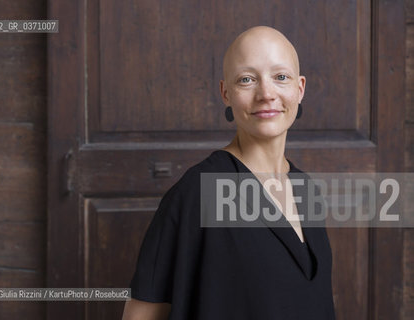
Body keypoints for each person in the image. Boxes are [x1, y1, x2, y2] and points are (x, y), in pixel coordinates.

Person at [122, 26, 336, 320]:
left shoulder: (306, 188)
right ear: (226, 93)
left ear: (300, 89)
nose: (266, 94)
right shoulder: (197, 193)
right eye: (247, 80)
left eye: (280, 77)